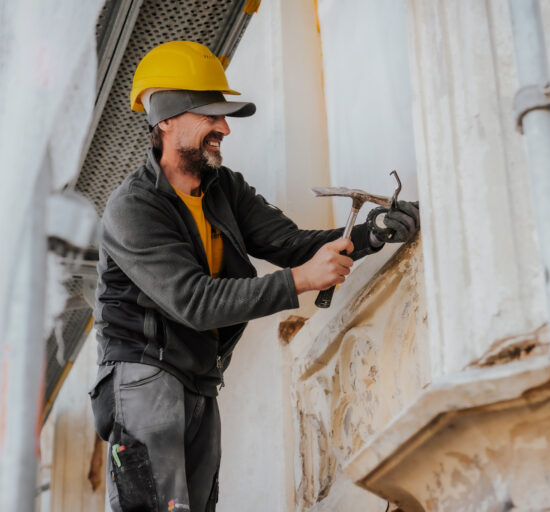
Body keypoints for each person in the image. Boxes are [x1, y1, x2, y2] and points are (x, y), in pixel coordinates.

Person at [89, 40, 420, 512]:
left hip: (199, 379)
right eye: (210, 115)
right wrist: (302, 281)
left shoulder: (225, 188)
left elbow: (291, 245)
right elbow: (195, 302)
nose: (224, 127)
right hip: (143, 376)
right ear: (165, 118)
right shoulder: (133, 208)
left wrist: (373, 233)